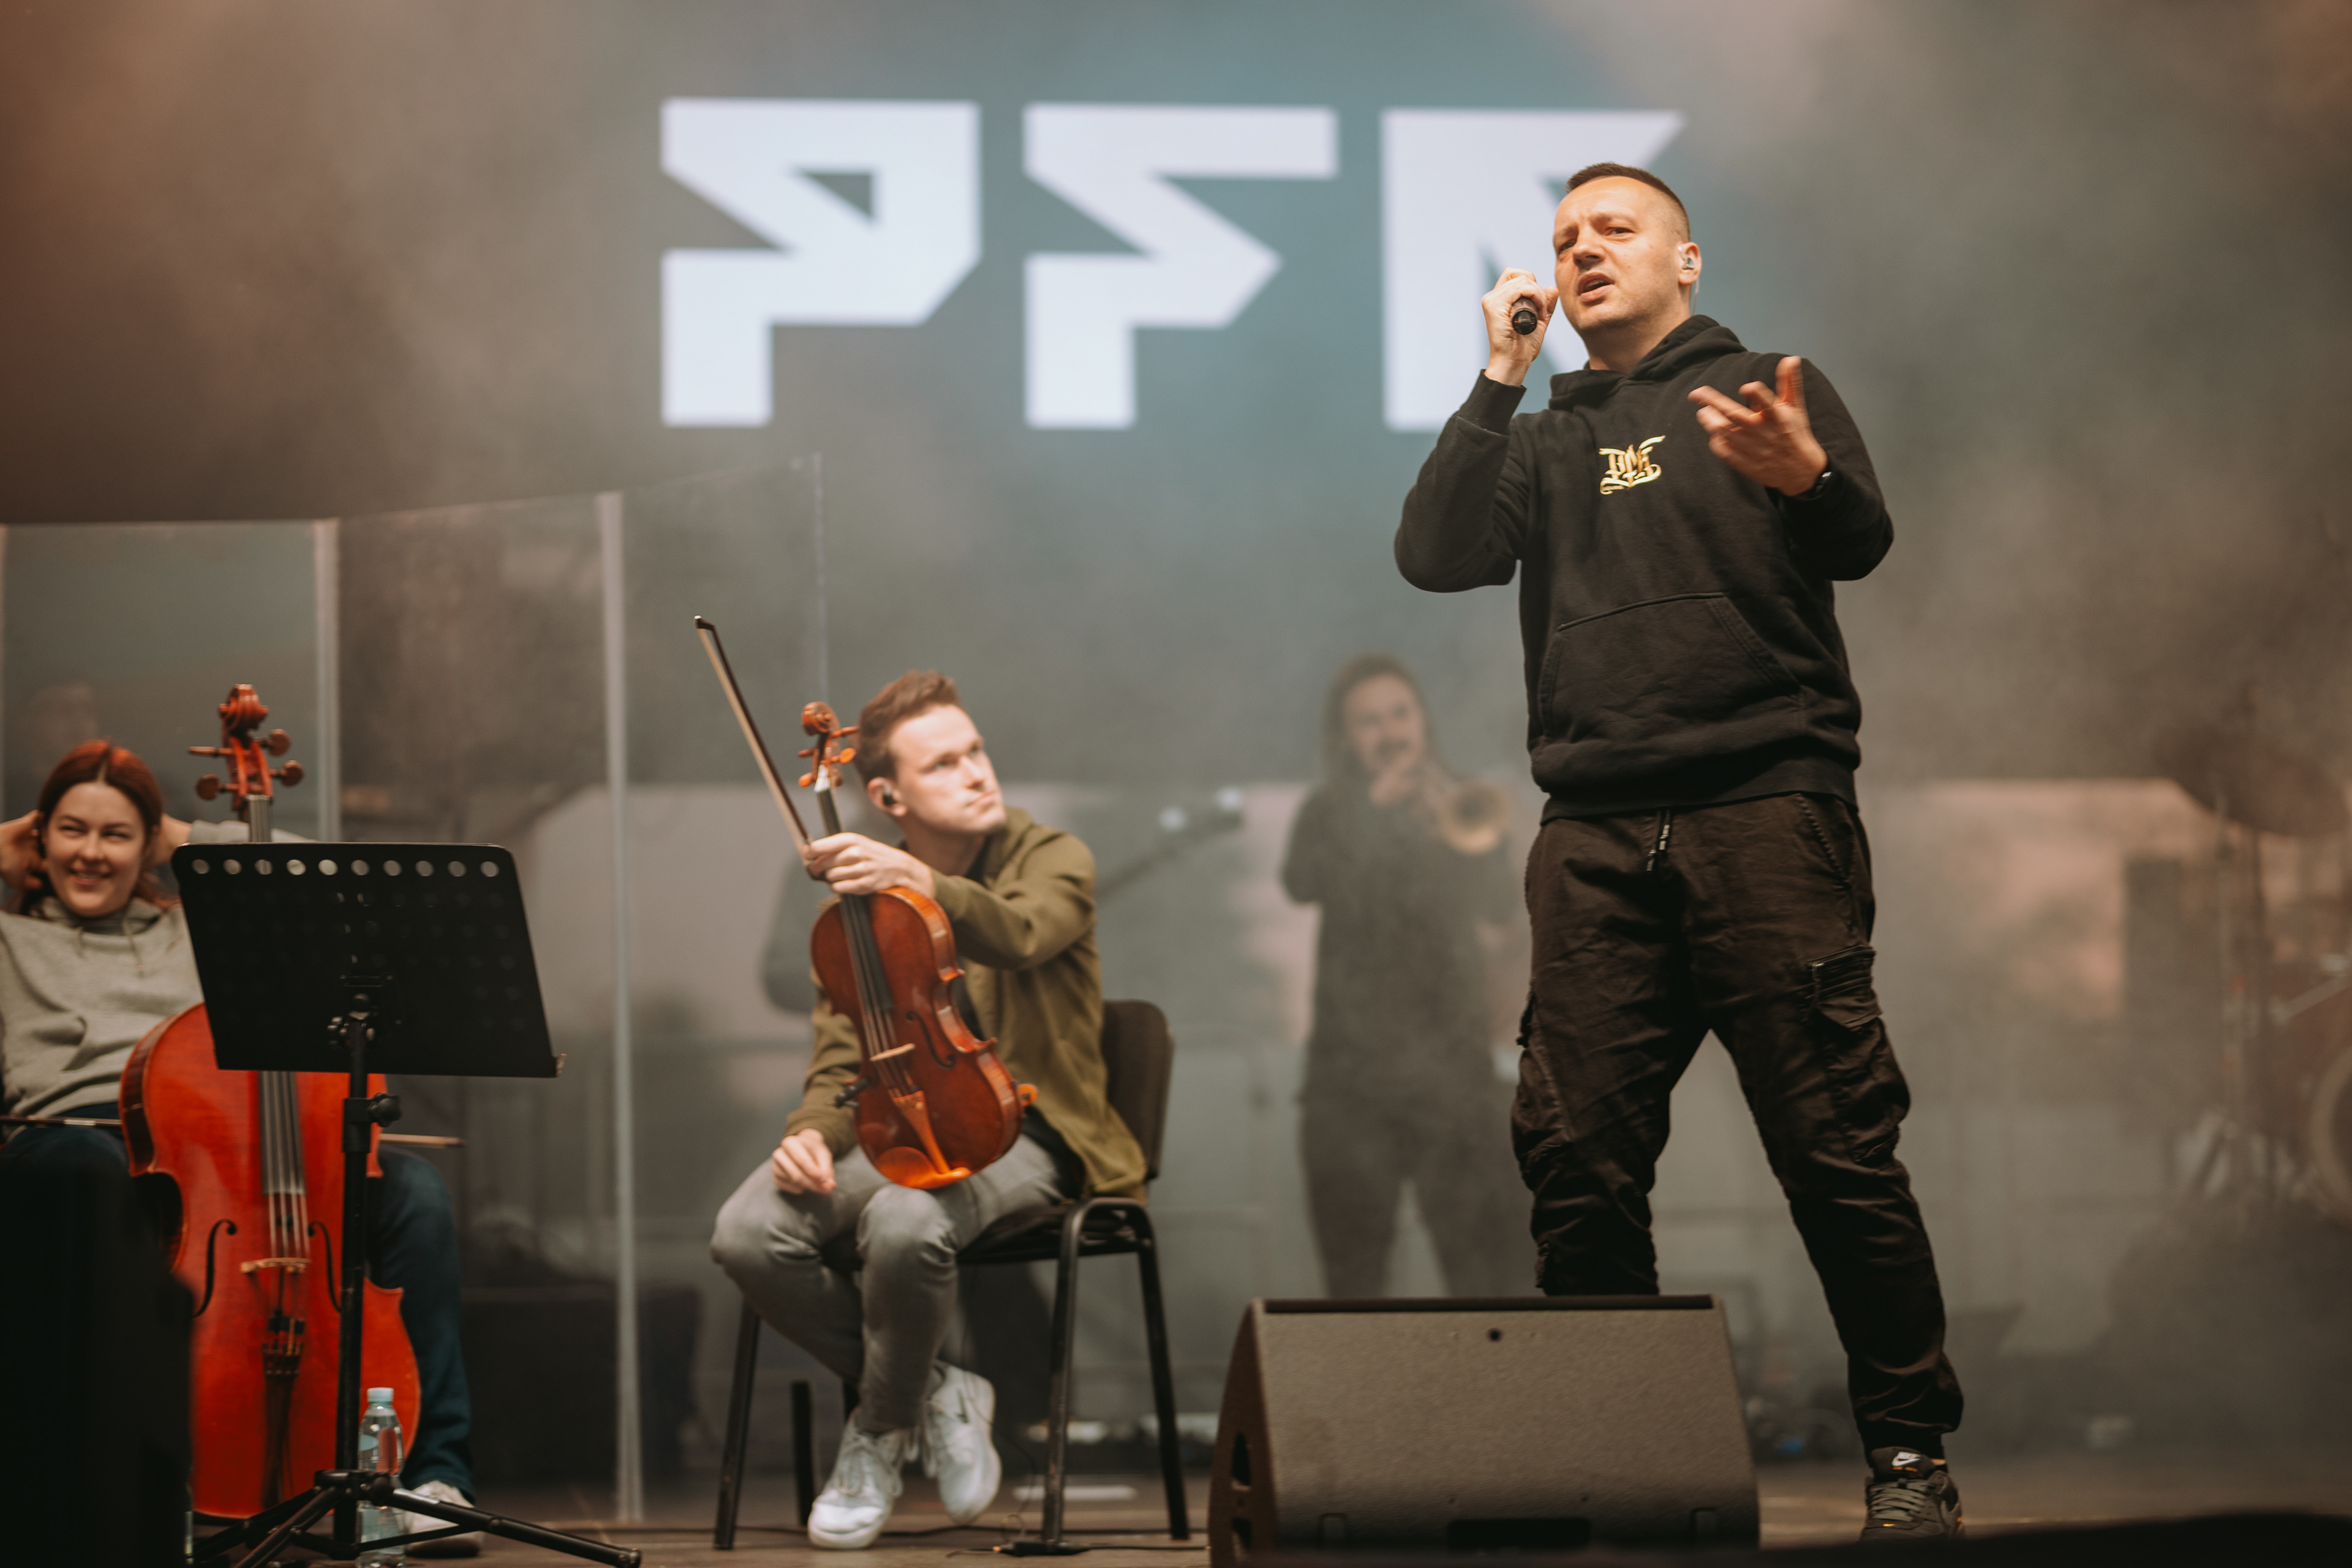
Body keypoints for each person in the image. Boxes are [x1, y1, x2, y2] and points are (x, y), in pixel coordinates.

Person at [1394, 163, 1964, 1542]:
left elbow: (1863, 539)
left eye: (1616, 228)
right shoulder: (1542, 434)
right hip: (1593, 833)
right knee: (1576, 1164)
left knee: (1836, 1151)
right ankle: (1623, 1472)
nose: (1584, 250)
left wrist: (1804, 474)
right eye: (1564, 238)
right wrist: (1498, 377)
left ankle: (1908, 1457)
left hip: (1765, 811)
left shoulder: (1765, 389)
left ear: (1687, 257)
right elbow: (1434, 555)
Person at [0, 741, 483, 1555]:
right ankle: (108, 1481)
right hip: (78, 1139)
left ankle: (434, 1479)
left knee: (416, 1190)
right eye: (72, 830)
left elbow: (325, 883)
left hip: (218, 1144)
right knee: (87, 1178)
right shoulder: (9, 939)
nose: (91, 853)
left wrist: (189, 838)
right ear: (38, 837)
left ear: (149, 846)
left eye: (118, 835)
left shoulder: (198, 927)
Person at [711, 671, 1145, 1551]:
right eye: (943, 763)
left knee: (906, 1220)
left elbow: (1020, 933)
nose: (977, 772)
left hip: (1037, 1132)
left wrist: (920, 880)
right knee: (749, 1232)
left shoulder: (1054, 857)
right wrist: (812, 1134)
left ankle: (876, 1433)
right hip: (912, 1123)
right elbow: (845, 1052)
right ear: (887, 798)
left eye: (975, 750)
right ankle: (940, 1388)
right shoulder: (863, 910)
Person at [1280, 653, 1529, 1297]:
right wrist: (1371, 813)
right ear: (1345, 738)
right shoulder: (1327, 811)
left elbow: (1499, 905)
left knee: (1483, 1278)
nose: (1390, 733)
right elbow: (1301, 883)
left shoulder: (1459, 802)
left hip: (1454, 1076)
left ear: (1423, 721)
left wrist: (1451, 832)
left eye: (1401, 714)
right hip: (1348, 1084)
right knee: (1355, 1282)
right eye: (1369, 721)